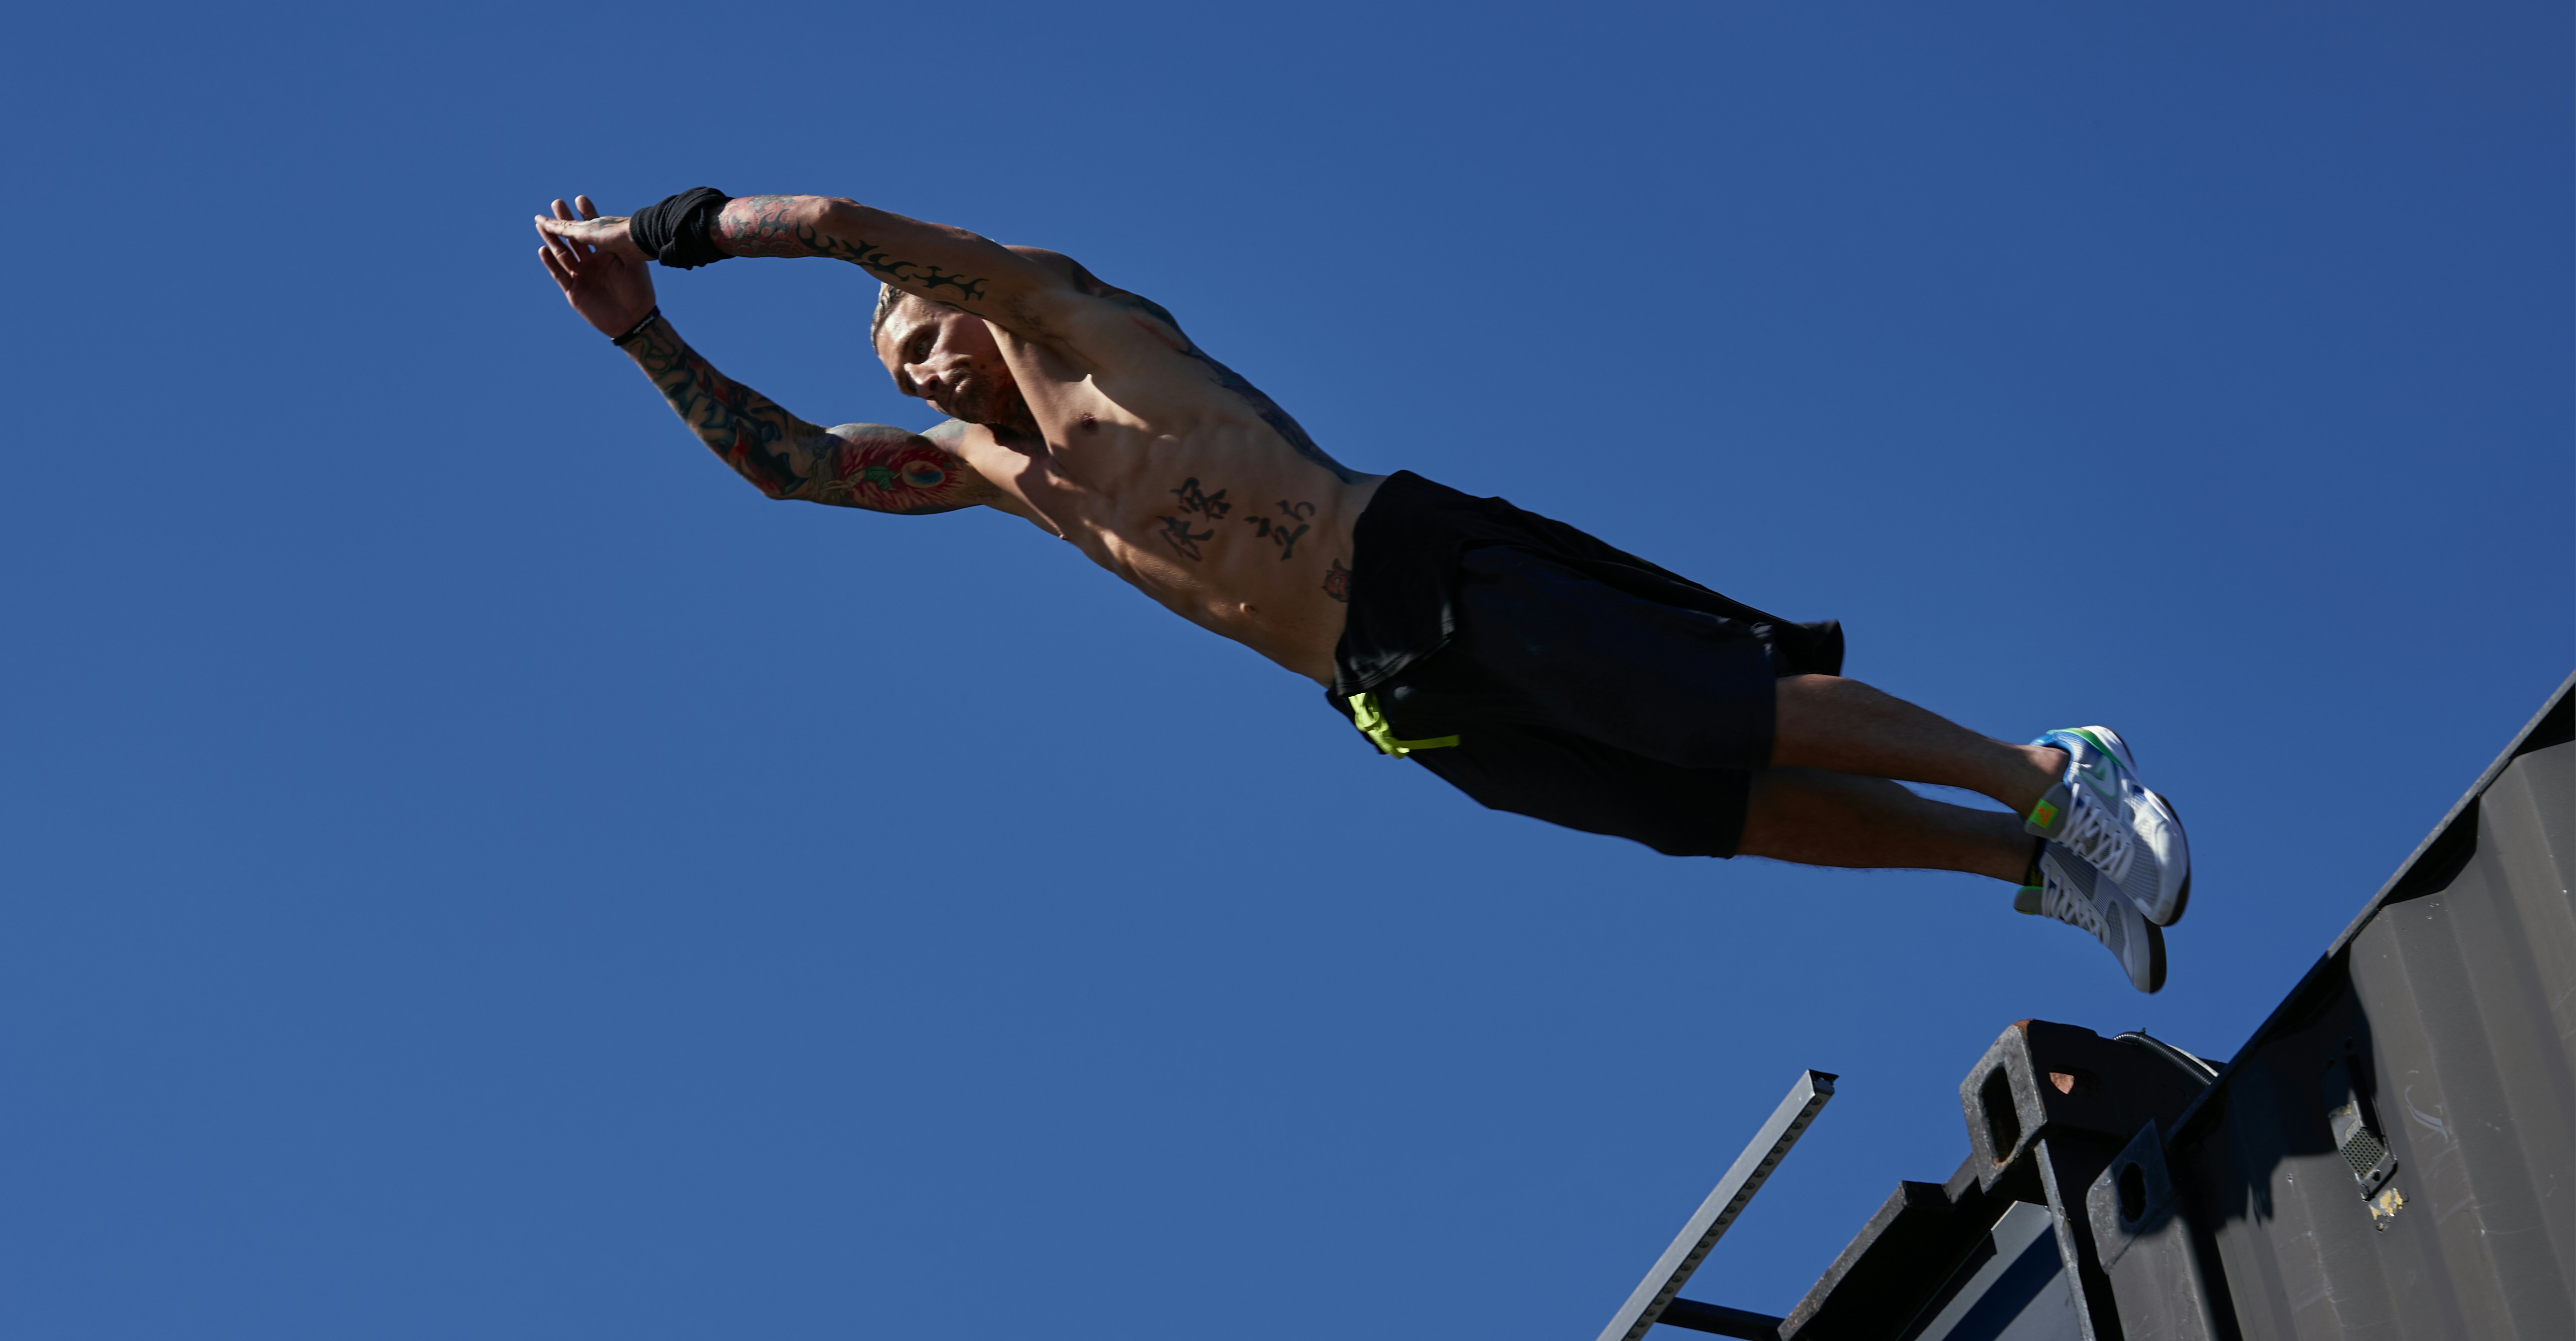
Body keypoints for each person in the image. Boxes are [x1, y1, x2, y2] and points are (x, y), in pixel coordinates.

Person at [536, 186, 2192, 992]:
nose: (914, 368)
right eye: (896, 367)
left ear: (965, 307)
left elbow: (834, 222)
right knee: (1704, 808)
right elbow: (786, 466)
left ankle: (2052, 777)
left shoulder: (1080, 329)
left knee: (1711, 703)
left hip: (1403, 559)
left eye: (916, 335)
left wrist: (681, 234)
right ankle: (2025, 868)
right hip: (1385, 699)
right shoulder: (985, 472)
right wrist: (640, 342)